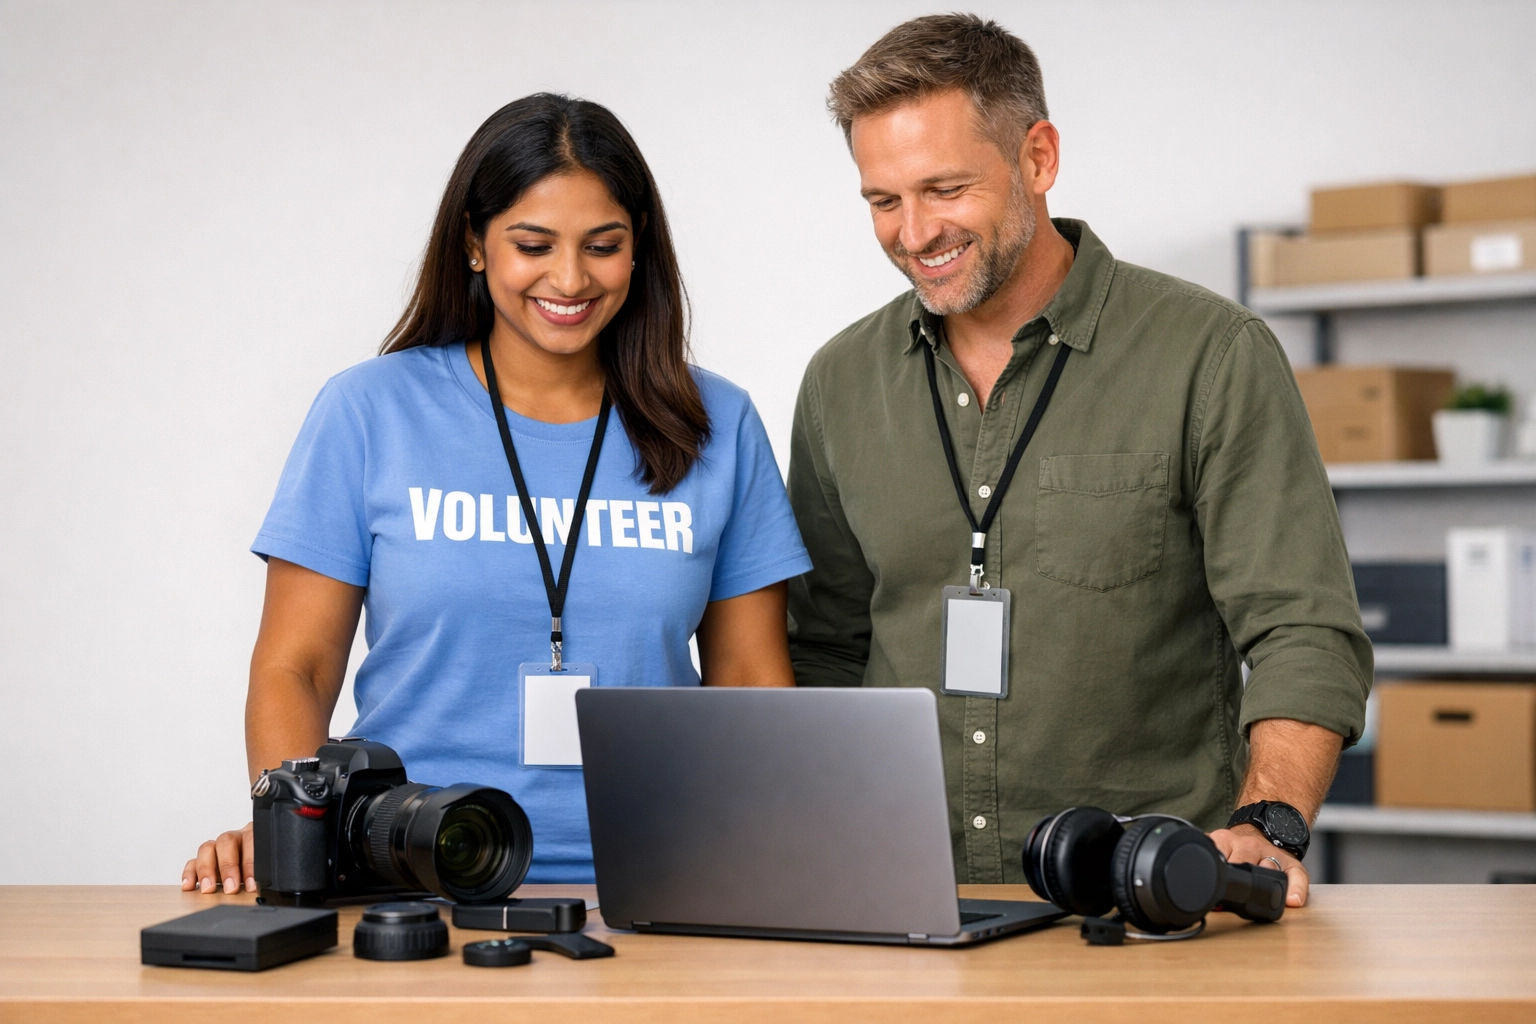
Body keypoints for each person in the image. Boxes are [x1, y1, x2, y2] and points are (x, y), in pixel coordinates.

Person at [787, 14, 1371, 907]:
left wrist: (1269, 823)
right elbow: (827, 650)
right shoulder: (838, 382)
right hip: (907, 903)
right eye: (882, 200)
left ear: (1039, 157)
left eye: (945, 188)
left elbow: (1303, 629)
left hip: (1147, 905)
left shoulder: (1211, 354)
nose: (913, 233)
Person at [183, 93, 811, 893]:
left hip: (666, 880)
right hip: (411, 877)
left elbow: (753, 685)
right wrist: (289, 834)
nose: (570, 277)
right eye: (533, 244)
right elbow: (295, 666)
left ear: (638, 247)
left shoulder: (717, 421)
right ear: (475, 244)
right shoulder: (370, 411)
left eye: (603, 245)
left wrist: (778, 856)